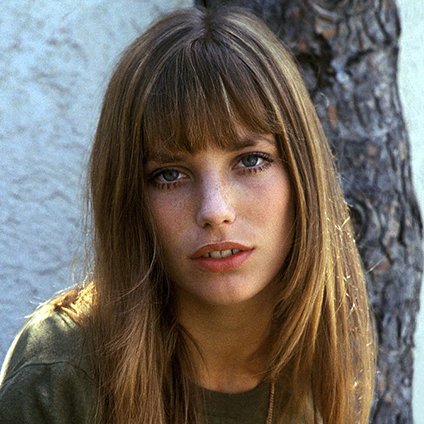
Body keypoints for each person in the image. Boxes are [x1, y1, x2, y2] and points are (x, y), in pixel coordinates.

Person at [0, 6, 376, 424]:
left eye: (250, 160)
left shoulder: (320, 365)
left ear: (302, 175)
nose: (215, 210)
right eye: (170, 174)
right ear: (130, 199)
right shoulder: (61, 377)